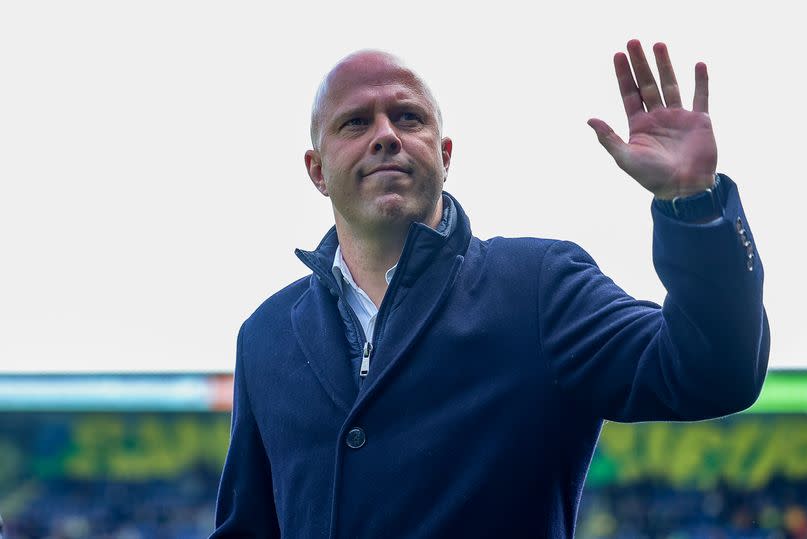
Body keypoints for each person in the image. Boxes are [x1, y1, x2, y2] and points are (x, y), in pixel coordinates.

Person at [210, 40, 769, 538]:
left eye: (408, 118)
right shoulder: (264, 336)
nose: (386, 136)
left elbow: (712, 373)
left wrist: (693, 206)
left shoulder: (538, 286)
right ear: (316, 170)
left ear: (445, 155)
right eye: (355, 123)